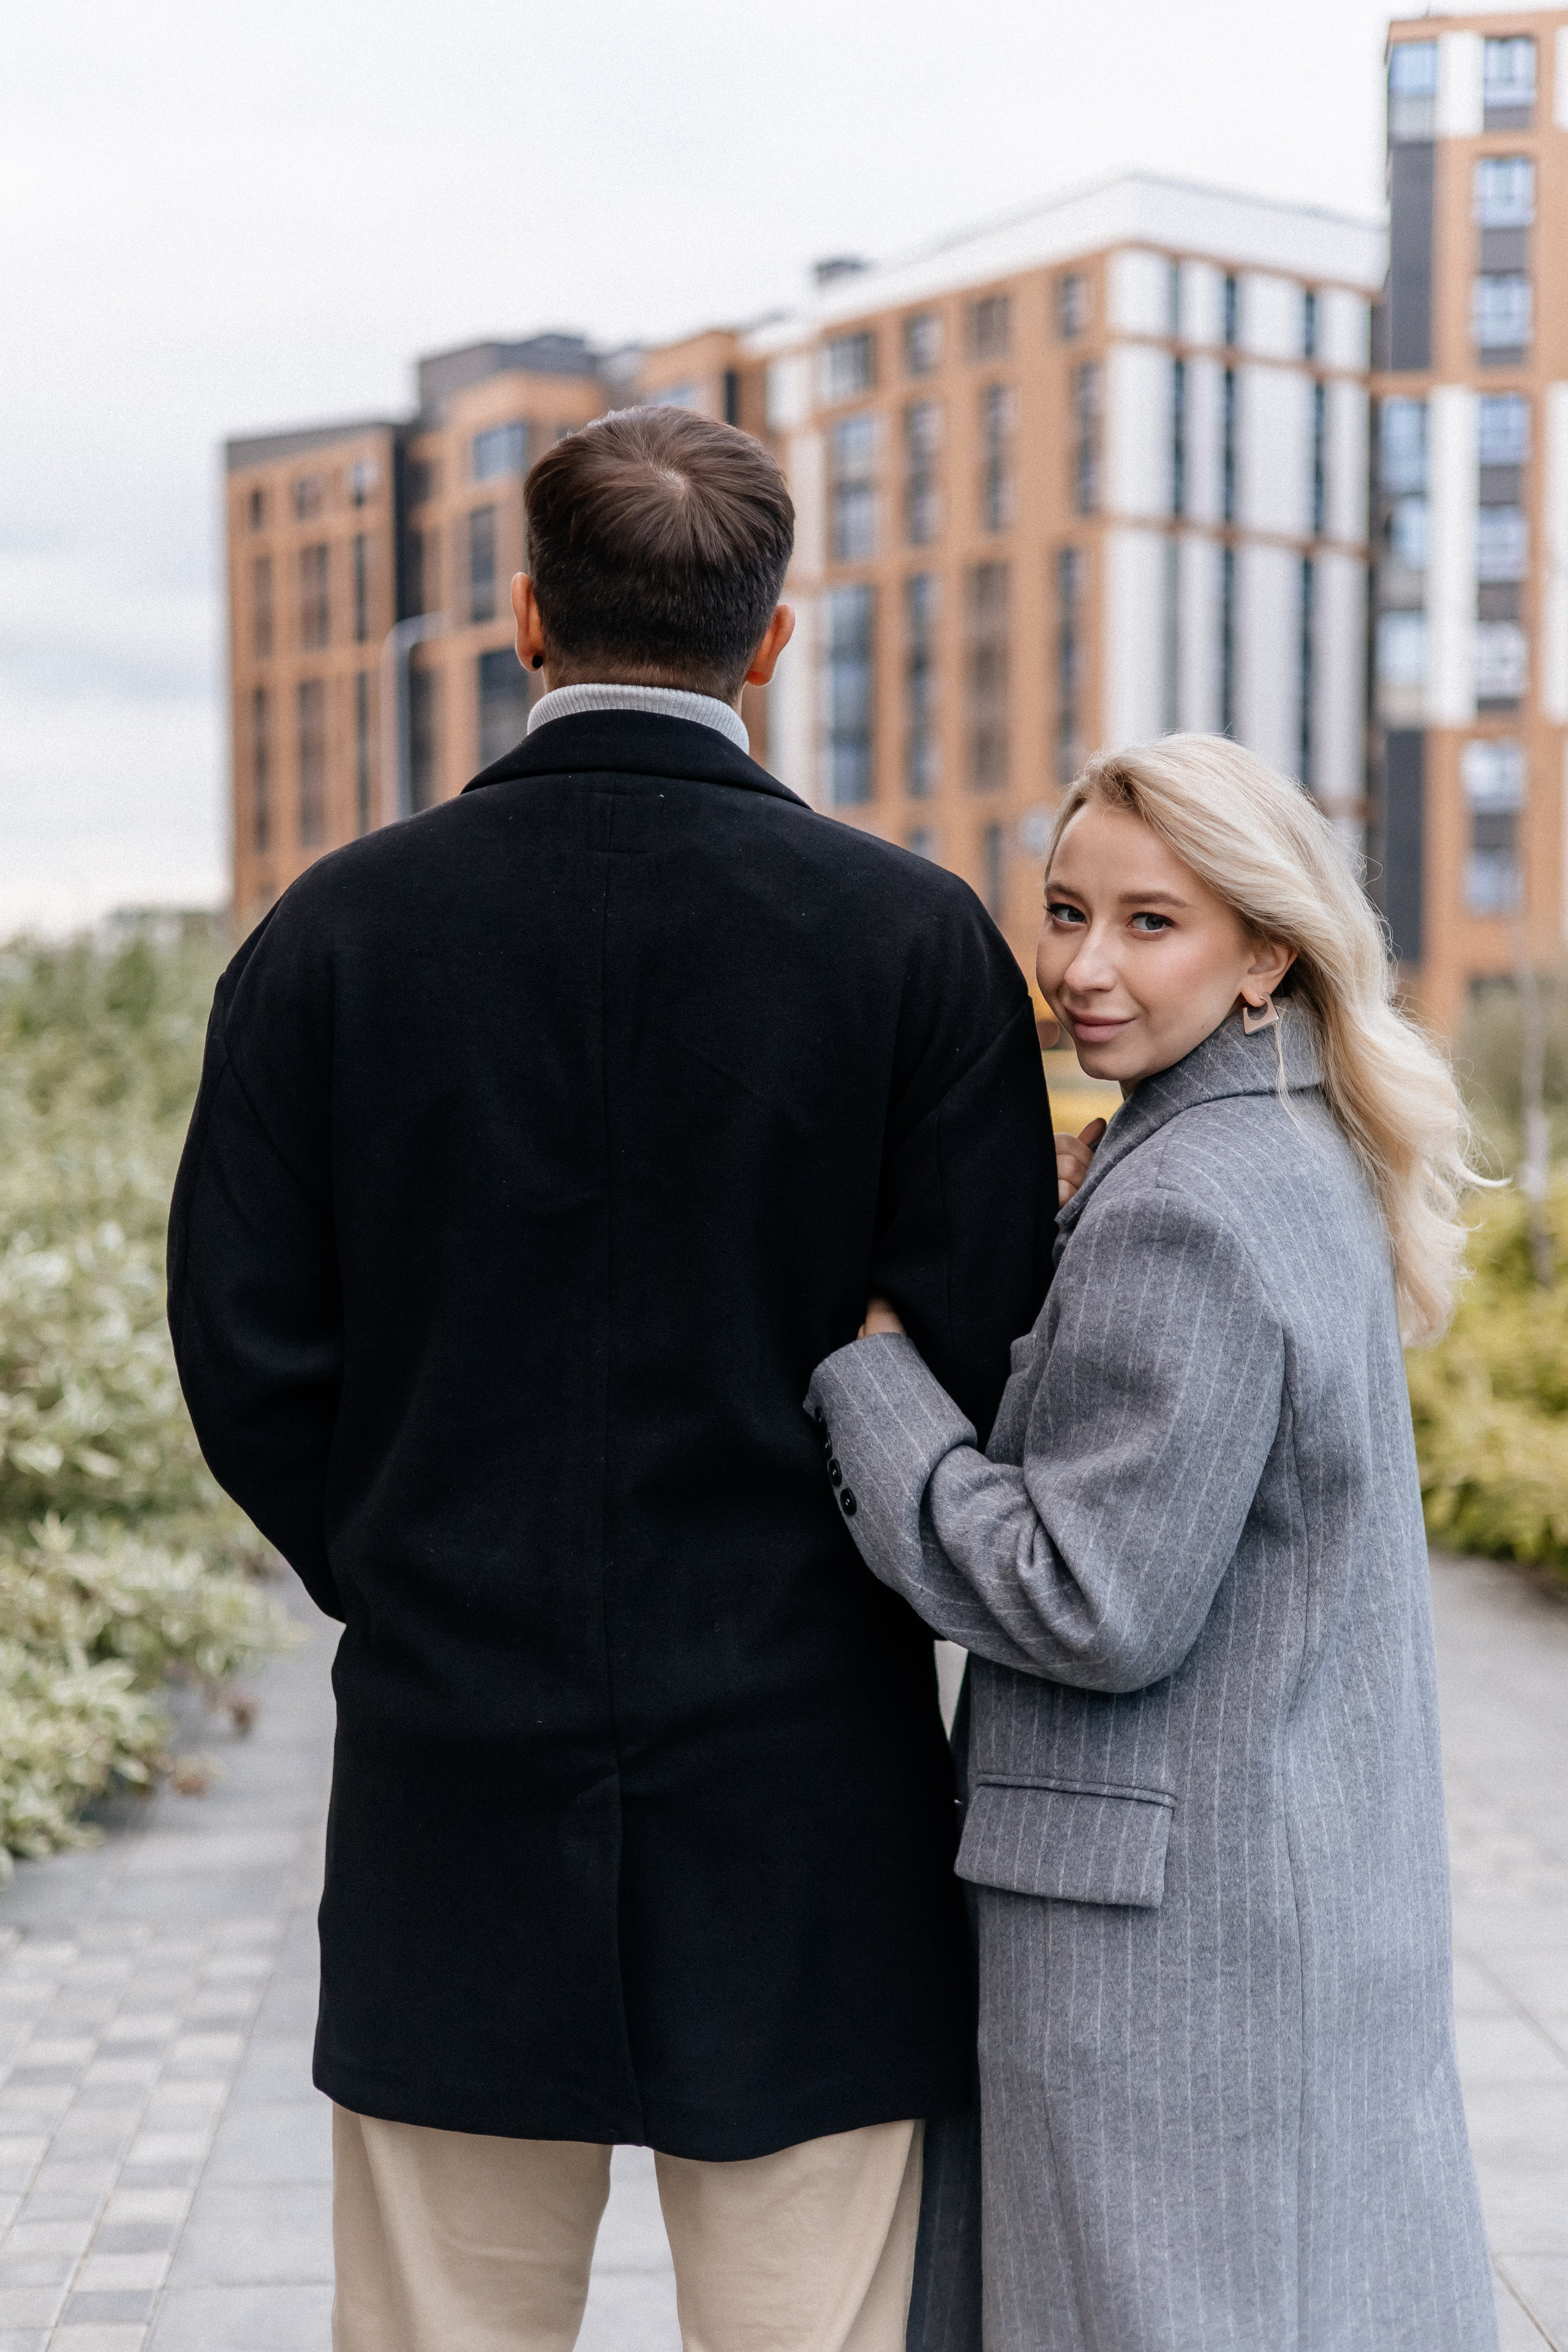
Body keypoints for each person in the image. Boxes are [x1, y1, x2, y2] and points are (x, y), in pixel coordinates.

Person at [167, 405, 1055, 2351]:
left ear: (522, 619)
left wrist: (404, 1557)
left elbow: (241, 1341)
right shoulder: (912, 942)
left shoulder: (331, 935)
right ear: (776, 640)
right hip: (811, 1772)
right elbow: (984, 1350)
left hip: (448, 1754)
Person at [809, 735, 1498, 2352]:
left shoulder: (1191, 1197)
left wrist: (874, 1375)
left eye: (1149, 924)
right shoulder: (1271, 1151)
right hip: (1268, 1889)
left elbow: (1092, 1597)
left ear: (1268, 949)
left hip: (1163, 1944)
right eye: (1064, 912)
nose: (1081, 968)